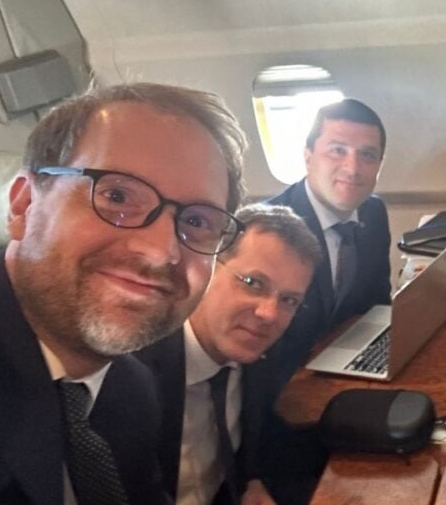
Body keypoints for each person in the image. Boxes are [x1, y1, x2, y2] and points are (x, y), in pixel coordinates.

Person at [0, 82, 247, 503]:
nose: (160, 252)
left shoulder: (131, 389)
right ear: (23, 205)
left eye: (196, 222)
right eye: (117, 196)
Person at [136, 204, 321, 505]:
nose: (269, 314)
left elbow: (253, 442)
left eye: (289, 300)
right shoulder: (134, 371)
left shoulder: (259, 353)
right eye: (253, 283)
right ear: (209, 266)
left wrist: (252, 482)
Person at [267, 98, 391, 379]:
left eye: (367, 155)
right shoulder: (269, 230)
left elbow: (377, 303)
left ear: (379, 165)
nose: (353, 168)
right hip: (285, 379)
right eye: (337, 150)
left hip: (345, 363)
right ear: (308, 156)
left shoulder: (373, 212)